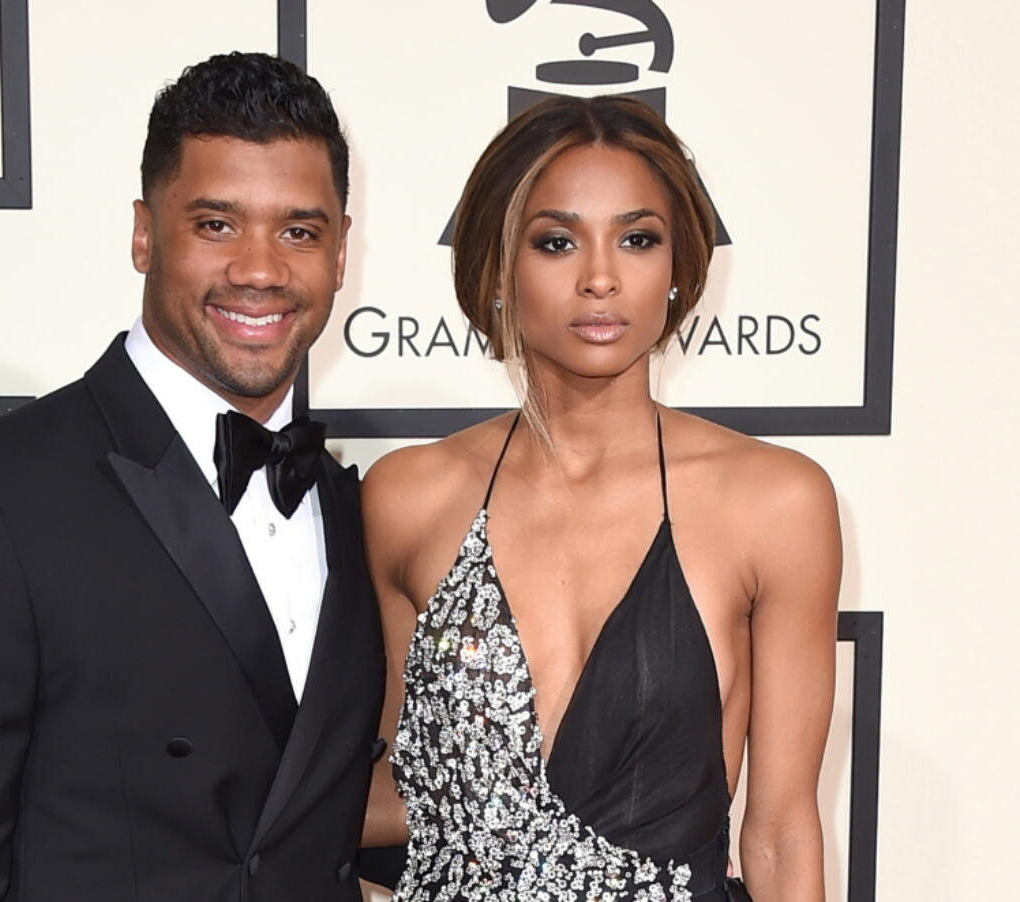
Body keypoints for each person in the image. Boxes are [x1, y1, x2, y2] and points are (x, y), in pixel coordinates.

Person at [0, 52, 384, 902]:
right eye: (216, 225)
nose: (260, 269)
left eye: (299, 230)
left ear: (340, 252)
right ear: (145, 233)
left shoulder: (358, 510)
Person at [360, 95, 840, 901]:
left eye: (638, 239)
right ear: (499, 265)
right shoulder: (408, 496)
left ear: (680, 268)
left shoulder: (774, 502)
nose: (601, 277)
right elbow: (391, 789)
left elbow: (783, 832)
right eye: (556, 242)